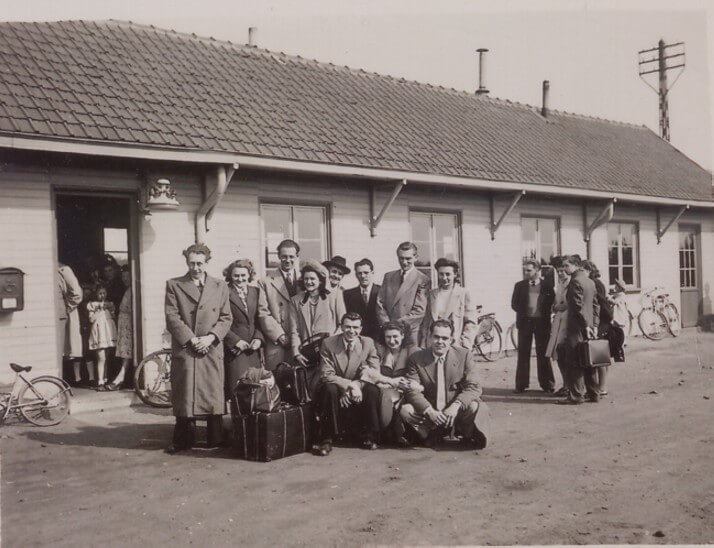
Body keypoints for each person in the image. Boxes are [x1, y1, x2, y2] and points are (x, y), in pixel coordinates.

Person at [164, 243, 232, 453]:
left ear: (207, 262)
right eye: (192, 263)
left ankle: (215, 438)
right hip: (188, 347)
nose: (196, 268)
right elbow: (172, 316)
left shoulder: (220, 286)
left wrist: (211, 337)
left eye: (200, 263)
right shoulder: (174, 284)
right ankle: (183, 439)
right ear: (186, 262)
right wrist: (192, 339)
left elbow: (226, 317)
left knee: (212, 393)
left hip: (210, 347)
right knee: (186, 393)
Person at [399, 319, 491, 449]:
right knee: (406, 410)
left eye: (444, 338)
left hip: (455, 411)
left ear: (451, 340)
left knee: (474, 406)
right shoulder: (416, 358)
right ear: (429, 337)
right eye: (436, 337)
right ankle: (429, 434)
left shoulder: (464, 356)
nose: (440, 342)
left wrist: (455, 406)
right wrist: (430, 411)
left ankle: (465, 433)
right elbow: (412, 390)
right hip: (430, 411)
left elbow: (474, 387)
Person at [314, 312, 382, 455]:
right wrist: (349, 386)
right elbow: (326, 374)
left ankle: (369, 436)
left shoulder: (368, 343)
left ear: (361, 329)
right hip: (338, 386)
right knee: (328, 389)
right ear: (341, 327)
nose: (352, 331)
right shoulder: (329, 343)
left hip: (359, 387)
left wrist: (356, 385)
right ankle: (327, 439)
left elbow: (374, 372)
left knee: (372, 390)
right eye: (348, 327)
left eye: (356, 327)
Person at [223, 258, 282, 394]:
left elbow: (259, 319)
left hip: (253, 349)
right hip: (235, 349)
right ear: (230, 276)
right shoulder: (224, 292)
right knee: (237, 387)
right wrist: (235, 341)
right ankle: (238, 416)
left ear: (249, 275)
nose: (240, 279)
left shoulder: (255, 291)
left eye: (243, 275)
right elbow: (220, 320)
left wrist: (258, 339)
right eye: (236, 275)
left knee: (255, 386)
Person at [288, 260, 346, 396]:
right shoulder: (296, 301)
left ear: (320, 281)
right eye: (306, 279)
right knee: (308, 391)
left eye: (312, 279)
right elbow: (294, 330)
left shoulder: (334, 296)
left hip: (329, 353)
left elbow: (342, 324)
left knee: (326, 389)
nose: (309, 282)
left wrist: (331, 344)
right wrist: (297, 353)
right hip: (307, 355)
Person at [359, 321, 421, 444]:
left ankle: (399, 433)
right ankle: (382, 433)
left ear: (402, 335)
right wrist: (390, 382)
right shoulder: (377, 349)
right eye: (388, 337)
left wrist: (405, 383)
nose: (391, 341)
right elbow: (368, 371)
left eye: (395, 336)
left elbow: (416, 376)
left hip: (404, 389)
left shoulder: (413, 351)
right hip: (382, 387)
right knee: (382, 395)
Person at [557, 255, 600, 405]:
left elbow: (577, 307)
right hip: (588, 327)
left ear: (576, 265)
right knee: (589, 359)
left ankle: (576, 396)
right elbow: (595, 305)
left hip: (577, 327)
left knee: (574, 361)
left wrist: (586, 325)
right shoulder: (589, 281)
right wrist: (594, 325)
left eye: (566, 265)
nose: (564, 268)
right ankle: (594, 393)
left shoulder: (575, 281)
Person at [510, 260, 555, 393]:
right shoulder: (519, 285)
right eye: (525, 270)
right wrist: (525, 312)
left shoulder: (547, 285)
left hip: (542, 323)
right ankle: (521, 385)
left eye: (529, 270)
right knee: (523, 354)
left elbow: (551, 302)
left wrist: (543, 313)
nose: (526, 272)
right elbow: (514, 303)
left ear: (537, 270)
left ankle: (547, 384)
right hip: (525, 323)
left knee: (543, 354)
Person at [376, 241, 431, 342]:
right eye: (401, 258)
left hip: (409, 332)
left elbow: (419, 311)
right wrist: (387, 325)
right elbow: (380, 303)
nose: (404, 262)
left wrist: (395, 326)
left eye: (408, 258)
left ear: (416, 257)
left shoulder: (422, 279)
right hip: (388, 332)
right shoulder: (388, 277)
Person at [418, 258, 477, 349]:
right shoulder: (432, 294)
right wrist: (424, 342)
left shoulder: (463, 294)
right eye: (441, 274)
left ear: (455, 274)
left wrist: (464, 343)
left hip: (455, 344)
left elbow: (471, 322)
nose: (444, 278)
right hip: (434, 345)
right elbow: (426, 322)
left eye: (448, 274)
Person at [259, 239, 299, 369]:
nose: (288, 260)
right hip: (278, 342)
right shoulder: (265, 282)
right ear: (278, 257)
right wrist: (279, 335)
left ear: (297, 257)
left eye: (291, 257)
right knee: (278, 381)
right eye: (284, 256)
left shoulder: (306, 279)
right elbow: (263, 312)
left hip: (300, 341)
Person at [582, 260, 614, 397]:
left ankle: (602, 386)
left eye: (582, 270)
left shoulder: (594, 283)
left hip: (601, 320)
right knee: (600, 353)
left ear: (588, 270)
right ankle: (601, 386)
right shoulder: (595, 282)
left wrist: (596, 322)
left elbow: (599, 303)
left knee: (599, 354)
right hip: (601, 319)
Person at [545, 256, 571, 397]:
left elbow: (571, 302)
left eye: (563, 270)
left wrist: (561, 306)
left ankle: (570, 385)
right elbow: (556, 302)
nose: (561, 273)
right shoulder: (560, 284)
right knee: (558, 354)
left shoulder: (571, 283)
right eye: (558, 271)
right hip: (559, 321)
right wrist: (555, 306)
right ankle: (566, 384)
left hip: (568, 322)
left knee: (566, 354)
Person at [106, 265, 133, 391]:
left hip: (129, 323)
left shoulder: (133, 290)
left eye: (127, 276)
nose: (125, 279)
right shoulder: (126, 289)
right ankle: (121, 377)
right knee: (124, 351)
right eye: (123, 276)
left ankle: (121, 378)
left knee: (127, 351)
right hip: (123, 323)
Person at [86, 284, 117, 391]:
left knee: (106, 358)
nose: (102, 295)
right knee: (101, 357)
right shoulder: (93, 305)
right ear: (96, 294)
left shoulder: (109, 304)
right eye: (100, 293)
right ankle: (99, 381)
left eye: (104, 293)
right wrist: (99, 310)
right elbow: (91, 320)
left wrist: (110, 309)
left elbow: (113, 316)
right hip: (99, 332)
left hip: (108, 331)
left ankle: (105, 378)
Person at [58, 263, 84, 386]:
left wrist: (66, 307)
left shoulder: (64, 269)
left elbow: (77, 293)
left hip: (65, 313)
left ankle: (72, 380)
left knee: (68, 346)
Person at [343, 258, 381, 341]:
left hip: (379, 339)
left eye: (366, 273)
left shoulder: (382, 292)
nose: (363, 276)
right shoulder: (347, 295)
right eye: (359, 273)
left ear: (372, 273)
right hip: (357, 339)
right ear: (356, 275)